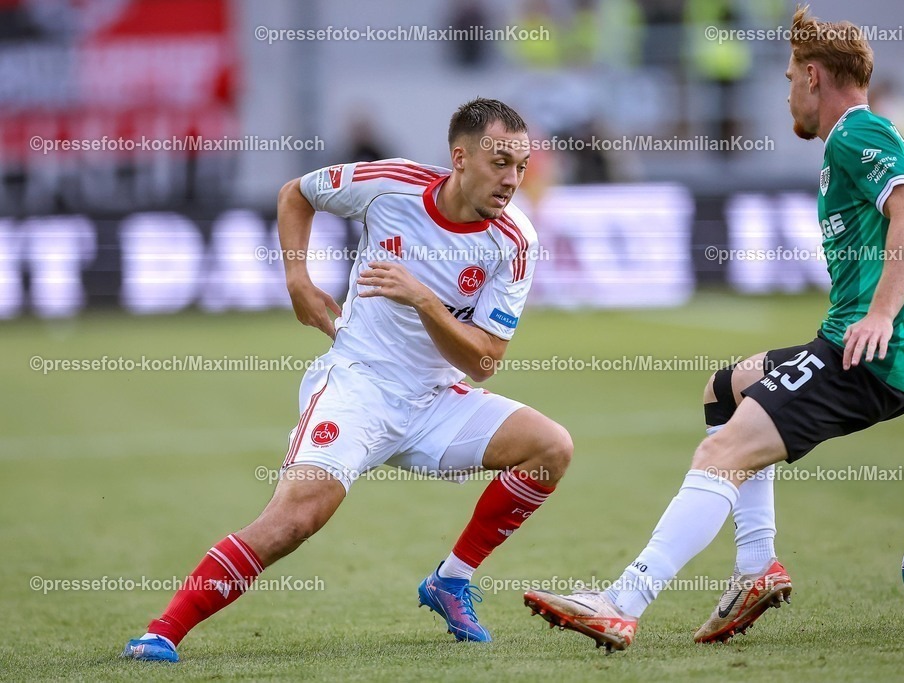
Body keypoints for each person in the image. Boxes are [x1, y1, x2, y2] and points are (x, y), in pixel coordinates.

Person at [523, 4, 904, 651]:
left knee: (720, 454)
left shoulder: (859, 132)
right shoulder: (853, 138)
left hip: (871, 353)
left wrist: (882, 314)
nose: (786, 94)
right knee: (726, 388)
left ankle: (620, 602)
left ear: (813, 78)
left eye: (787, 79)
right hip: (856, 341)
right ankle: (756, 567)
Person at [122, 98, 573, 662]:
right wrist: (296, 277)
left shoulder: (514, 242)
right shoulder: (390, 186)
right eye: (500, 161)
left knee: (550, 448)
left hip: (434, 400)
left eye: (521, 166)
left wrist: (423, 300)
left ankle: (450, 581)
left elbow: (483, 361)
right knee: (297, 517)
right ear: (460, 157)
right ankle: (162, 632)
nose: (512, 179)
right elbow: (297, 193)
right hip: (357, 384)